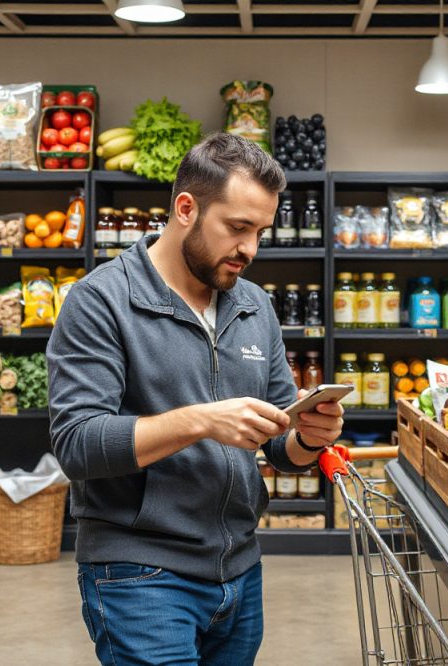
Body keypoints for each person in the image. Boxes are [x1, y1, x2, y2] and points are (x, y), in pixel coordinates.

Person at [47, 132, 345, 666]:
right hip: (139, 574)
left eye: (260, 232)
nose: (250, 250)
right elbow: (78, 444)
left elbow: (278, 445)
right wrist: (202, 421)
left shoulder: (253, 304)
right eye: (237, 228)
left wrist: (307, 437)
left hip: (239, 570)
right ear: (186, 208)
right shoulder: (101, 301)